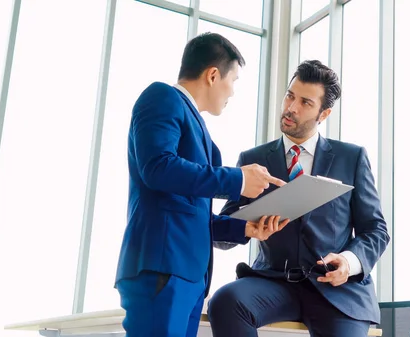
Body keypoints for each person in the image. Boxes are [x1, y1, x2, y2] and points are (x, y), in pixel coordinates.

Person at [114, 32, 289, 337]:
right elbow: (157, 167)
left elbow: (190, 212)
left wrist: (244, 228)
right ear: (212, 75)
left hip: (189, 277)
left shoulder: (200, 129)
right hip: (163, 269)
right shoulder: (162, 97)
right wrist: (238, 179)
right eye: (232, 80)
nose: (232, 92)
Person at [208, 60, 390, 337]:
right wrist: (249, 227)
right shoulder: (253, 160)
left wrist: (349, 262)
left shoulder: (351, 158)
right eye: (290, 95)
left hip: (335, 289)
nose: (291, 107)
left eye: (305, 102)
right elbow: (222, 233)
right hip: (273, 282)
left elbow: (375, 230)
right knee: (225, 302)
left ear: (324, 113)